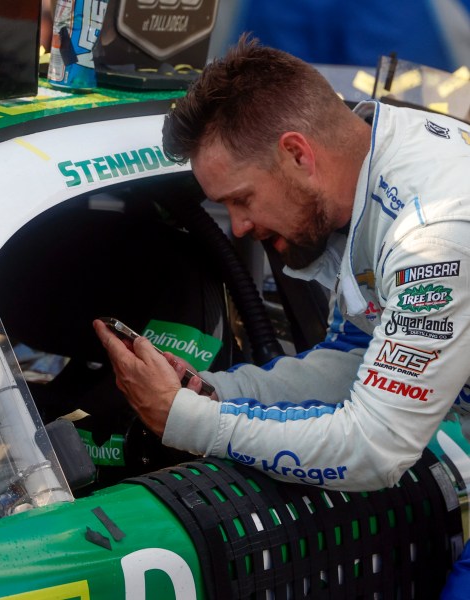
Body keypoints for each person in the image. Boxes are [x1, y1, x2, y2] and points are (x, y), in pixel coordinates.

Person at [93, 34, 470, 493]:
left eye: (241, 199)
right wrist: (210, 393)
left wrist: (190, 422)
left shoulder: (432, 238)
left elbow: (374, 449)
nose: (237, 227)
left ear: (297, 154)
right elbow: (354, 361)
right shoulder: (374, 169)